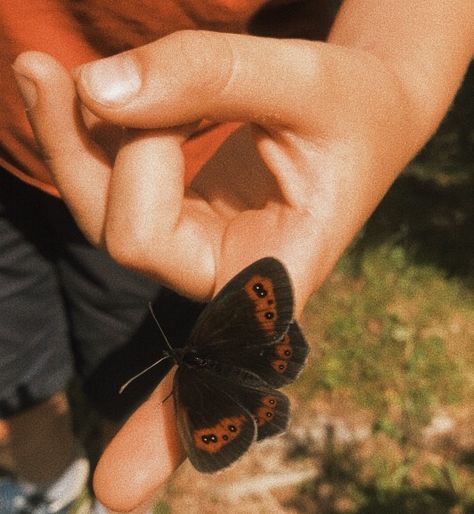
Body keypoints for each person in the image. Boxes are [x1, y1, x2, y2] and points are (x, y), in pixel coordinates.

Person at [1, 0, 472, 512]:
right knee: (13, 351)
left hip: (178, 189)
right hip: (11, 151)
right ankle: (48, 485)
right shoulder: (202, 349)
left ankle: (85, 483)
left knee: (127, 381)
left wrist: (397, 74)